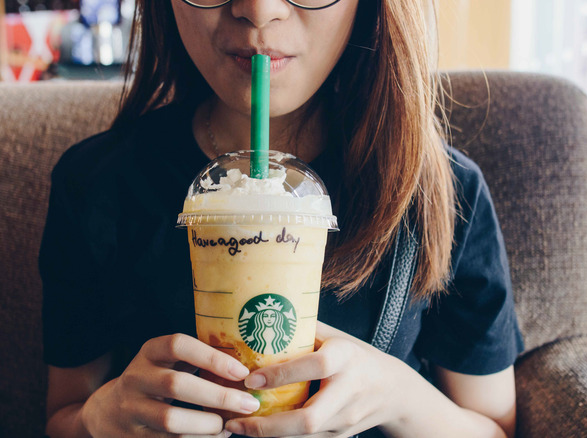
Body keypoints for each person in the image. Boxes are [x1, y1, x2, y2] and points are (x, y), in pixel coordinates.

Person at [40, 1, 524, 437]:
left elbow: (494, 428)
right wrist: (97, 419)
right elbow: (63, 416)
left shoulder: (440, 191)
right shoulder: (97, 182)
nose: (259, 10)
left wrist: (399, 396)